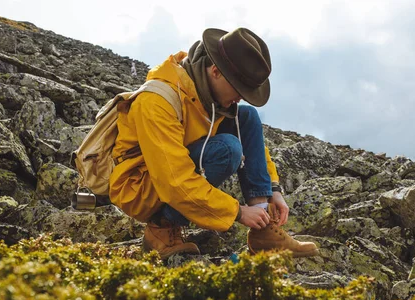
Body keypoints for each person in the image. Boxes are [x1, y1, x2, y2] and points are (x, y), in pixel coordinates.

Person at [109, 27, 319, 260]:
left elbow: (253, 144)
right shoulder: (157, 102)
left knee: (247, 117)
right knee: (228, 149)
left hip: (171, 173)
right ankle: (162, 228)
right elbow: (174, 180)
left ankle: (264, 232)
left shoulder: (207, 93)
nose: (241, 97)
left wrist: (274, 191)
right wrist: (237, 212)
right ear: (216, 71)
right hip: (142, 186)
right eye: (240, 89)